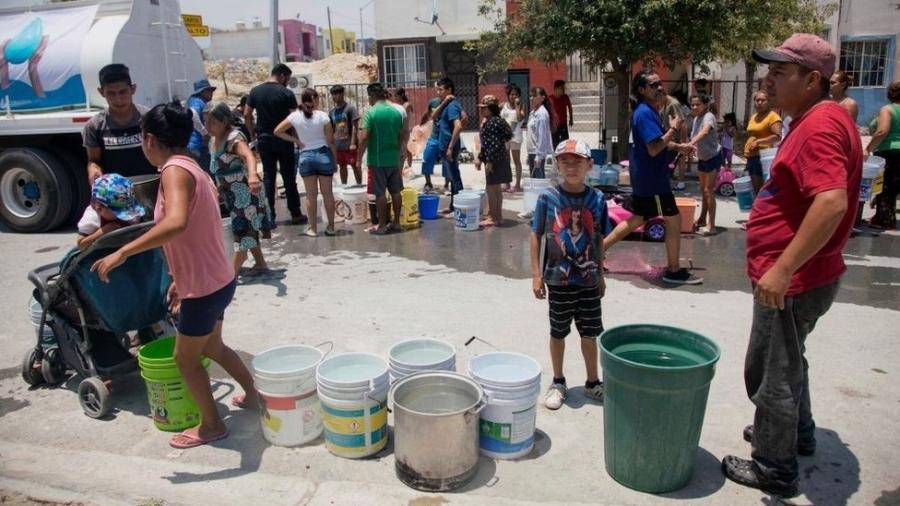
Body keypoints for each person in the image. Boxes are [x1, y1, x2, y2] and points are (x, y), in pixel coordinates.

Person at [721, 33, 863, 498]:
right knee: (789, 361)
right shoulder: (815, 118)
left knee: (770, 373)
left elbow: (831, 202)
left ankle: (774, 467)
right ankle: (794, 435)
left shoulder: (820, 125)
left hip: (794, 279)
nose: (769, 82)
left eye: (781, 74)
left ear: (813, 80)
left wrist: (782, 268)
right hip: (804, 273)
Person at [92, 101, 259, 449]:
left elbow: (176, 222)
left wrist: (123, 250)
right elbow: (191, 233)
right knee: (213, 346)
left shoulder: (173, 171)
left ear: (150, 138)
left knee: (185, 359)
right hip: (217, 280)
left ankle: (212, 425)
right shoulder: (192, 167)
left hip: (204, 287)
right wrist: (175, 281)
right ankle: (255, 395)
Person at [530, 139, 610, 410]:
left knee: (590, 333)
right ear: (557, 165)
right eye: (565, 161)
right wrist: (536, 275)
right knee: (558, 331)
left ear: (590, 165)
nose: (571, 166)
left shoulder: (598, 199)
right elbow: (536, 234)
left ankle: (592, 382)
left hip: (588, 280)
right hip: (557, 279)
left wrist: (600, 274)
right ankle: (558, 381)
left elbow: (599, 239)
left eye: (578, 161)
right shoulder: (547, 198)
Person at [602, 70, 701, 285]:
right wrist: (674, 129)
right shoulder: (645, 113)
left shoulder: (647, 111)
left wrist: (679, 146)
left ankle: (595, 252)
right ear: (642, 90)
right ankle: (673, 270)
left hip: (648, 177)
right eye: (653, 85)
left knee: (637, 219)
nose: (659, 88)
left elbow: (654, 142)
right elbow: (655, 148)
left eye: (659, 84)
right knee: (673, 219)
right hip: (653, 180)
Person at [205, 101, 272, 275]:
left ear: (225, 121)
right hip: (230, 194)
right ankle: (260, 263)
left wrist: (252, 176)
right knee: (246, 227)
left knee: (243, 232)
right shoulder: (213, 139)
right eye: (206, 122)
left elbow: (249, 156)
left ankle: (228, 276)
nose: (208, 126)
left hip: (244, 192)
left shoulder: (234, 138)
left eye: (213, 122)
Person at [245, 64, 306, 226]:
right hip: (284, 139)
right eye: (287, 78)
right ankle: (295, 214)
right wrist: (296, 139)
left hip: (264, 139)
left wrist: (253, 134)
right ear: (282, 75)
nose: (287, 82)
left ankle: (269, 216)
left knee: (268, 178)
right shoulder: (287, 93)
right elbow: (294, 120)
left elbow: (246, 114)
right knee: (288, 177)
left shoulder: (255, 91)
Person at [275, 88, 338, 237]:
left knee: (311, 195)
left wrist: (296, 140)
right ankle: (331, 227)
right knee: (327, 194)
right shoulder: (323, 116)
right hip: (323, 155)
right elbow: (330, 140)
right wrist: (334, 160)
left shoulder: (294, 116)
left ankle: (313, 228)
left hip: (305, 156)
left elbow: (277, 131)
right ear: (315, 99)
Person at [82, 64, 157, 184]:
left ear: (133, 89)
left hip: (151, 187)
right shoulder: (94, 126)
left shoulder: (150, 119)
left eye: (122, 92)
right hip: (116, 194)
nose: (118, 99)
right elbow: (94, 161)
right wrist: (94, 173)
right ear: (101, 92)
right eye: (111, 93)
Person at [357, 83, 404, 235]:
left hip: (377, 160)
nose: (368, 100)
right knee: (396, 192)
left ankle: (382, 226)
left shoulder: (371, 113)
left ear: (373, 96)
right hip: (393, 159)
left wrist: (358, 158)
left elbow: (364, 138)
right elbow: (401, 135)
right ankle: (396, 223)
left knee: (380, 194)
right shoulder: (396, 112)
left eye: (369, 97)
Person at [76, 174, 146, 250]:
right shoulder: (93, 216)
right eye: (119, 213)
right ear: (99, 209)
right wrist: (101, 233)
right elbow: (81, 245)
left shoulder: (129, 208)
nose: (127, 216)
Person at [866, 81, 900, 230]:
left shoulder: (888, 109)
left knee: (885, 186)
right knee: (894, 187)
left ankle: (884, 219)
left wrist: (868, 148)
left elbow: (882, 131)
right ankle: (882, 215)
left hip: (890, 152)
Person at [475, 95, 513, 227]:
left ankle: (492, 216)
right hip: (501, 158)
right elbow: (507, 135)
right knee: (497, 189)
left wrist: (489, 161)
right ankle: (498, 216)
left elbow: (491, 144)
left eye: (484, 108)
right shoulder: (499, 121)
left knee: (491, 189)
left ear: (491, 109)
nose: (481, 111)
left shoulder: (491, 123)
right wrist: (480, 158)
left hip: (493, 161)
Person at [688, 94, 723, 235]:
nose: (695, 107)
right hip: (703, 158)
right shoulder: (696, 118)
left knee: (709, 191)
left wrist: (690, 143)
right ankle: (702, 219)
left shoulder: (709, 116)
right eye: (693, 104)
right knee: (703, 190)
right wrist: (692, 147)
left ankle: (712, 226)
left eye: (698, 104)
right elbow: (696, 135)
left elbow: (705, 132)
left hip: (713, 157)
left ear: (704, 105)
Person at [744, 90, 783, 194]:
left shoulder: (772, 116)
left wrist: (758, 142)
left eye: (763, 100)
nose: (759, 102)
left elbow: (778, 136)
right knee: (754, 191)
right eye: (757, 100)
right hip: (751, 157)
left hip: (762, 158)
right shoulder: (754, 116)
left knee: (761, 191)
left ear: (769, 101)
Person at [435, 77, 464, 212]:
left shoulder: (452, 105)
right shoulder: (448, 104)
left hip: (449, 146)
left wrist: (451, 146)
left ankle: (460, 207)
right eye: (437, 89)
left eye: (441, 90)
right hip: (445, 145)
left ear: (449, 90)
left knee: (455, 177)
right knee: (452, 177)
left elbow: (458, 126)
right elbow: (433, 116)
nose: (438, 92)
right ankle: (453, 206)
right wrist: (444, 102)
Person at [328, 85, 362, 185]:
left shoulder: (350, 108)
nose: (334, 96)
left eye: (336, 94)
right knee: (342, 166)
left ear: (342, 94)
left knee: (354, 166)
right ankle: (344, 186)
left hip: (349, 145)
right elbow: (331, 129)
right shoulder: (332, 112)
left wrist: (353, 143)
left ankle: (359, 185)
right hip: (338, 145)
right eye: (332, 94)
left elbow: (355, 126)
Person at [659, 88, 689, 190]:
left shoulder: (673, 104)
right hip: (670, 138)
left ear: (662, 95)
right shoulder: (666, 104)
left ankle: (681, 182)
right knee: (670, 163)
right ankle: (671, 181)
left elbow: (682, 123)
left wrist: (682, 142)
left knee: (678, 160)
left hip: (676, 139)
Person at [501, 84, 526, 193]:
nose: (513, 96)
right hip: (504, 137)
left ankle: (517, 185)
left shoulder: (521, 106)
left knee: (516, 161)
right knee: (506, 161)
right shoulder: (503, 105)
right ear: (508, 95)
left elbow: (520, 117)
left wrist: (517, 106)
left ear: (519, 96)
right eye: (511, 94)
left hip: (515, 137)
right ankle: (507, 183)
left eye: (516, 94)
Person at [187, 79, 216, 172]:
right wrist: (204, 133)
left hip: (198, 145)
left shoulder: (198, 101)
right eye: (209, 90)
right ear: (202, 92)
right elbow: (193, 114)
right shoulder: (196, 101)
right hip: (197, 146)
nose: (211, 93)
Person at [526, 87, 553, 179]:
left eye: (534, 96)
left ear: (542, 98)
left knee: (538, 181)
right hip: (532, 151)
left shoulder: (541, 114)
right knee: (534, 180)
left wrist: (539, 155)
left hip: (537, 152)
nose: (531, 98)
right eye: (530, 96)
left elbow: (542, 136)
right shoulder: (533, 113)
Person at [392, 88, 415, 169]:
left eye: (396, 96)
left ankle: (409, 166)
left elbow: (402, 113)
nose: (395, 98)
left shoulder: (406, 105)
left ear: (401, 95)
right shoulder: (397, 105)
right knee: (400, 150)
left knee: (407, 149)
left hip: (405, 130)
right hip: (398, 130)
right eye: (394, 96)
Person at [549, 80, 573, 148]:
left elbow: (570, 108)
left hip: (563, 124)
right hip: (555, 125)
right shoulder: (550, 99)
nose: (563, 90)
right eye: (562, 88)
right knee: (555, 142)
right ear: (556, 88)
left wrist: (571, 119)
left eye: (564, 88)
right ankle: (556, 156)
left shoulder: (565, 97)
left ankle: (564, 156)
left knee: (565, 142)